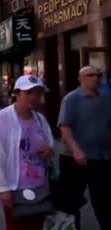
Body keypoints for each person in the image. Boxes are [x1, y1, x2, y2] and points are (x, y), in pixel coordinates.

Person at [0, 75, 55, 230]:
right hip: (15, 188)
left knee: (37, 225)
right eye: (28, 93)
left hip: (40, 187)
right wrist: (3, 188)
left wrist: (49, 151)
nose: (34, 97)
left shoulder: (40, 119)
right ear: (17, 94)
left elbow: (51, 146)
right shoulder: (2, 118)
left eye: (38, 93)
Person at [56, 66, 111, 230]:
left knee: (105, 201)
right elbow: (64, 126)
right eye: (90, 75)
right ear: (80, 78)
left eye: (98, 75)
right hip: (74, 159)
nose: (95, 78)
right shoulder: (71, 99)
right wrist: (76, 149)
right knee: (70, 201)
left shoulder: (106, 98)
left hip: (102, 157)